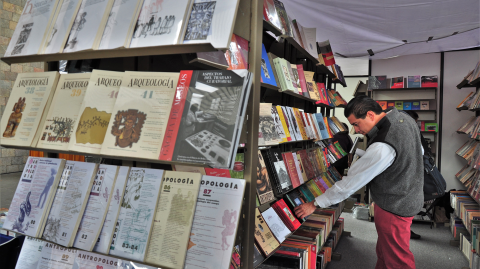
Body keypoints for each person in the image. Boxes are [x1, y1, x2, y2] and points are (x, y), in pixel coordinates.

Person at [294, 96, 424, 269]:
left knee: (397, 259)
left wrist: (315, 203)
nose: (355, 130)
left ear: (370, 114)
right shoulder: (403, 118)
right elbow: (416, 151)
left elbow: (350, 184)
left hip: (394, 205)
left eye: (356, 124)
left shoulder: (383, 144)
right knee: (386, 252)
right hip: (409, 195)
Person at [402, 110, 431, 240]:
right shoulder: (410, 132)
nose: (416, 124)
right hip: (411, 175)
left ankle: (406, 230)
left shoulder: (409, 132)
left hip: (410, 175)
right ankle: (406, 230)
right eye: (416, 121)